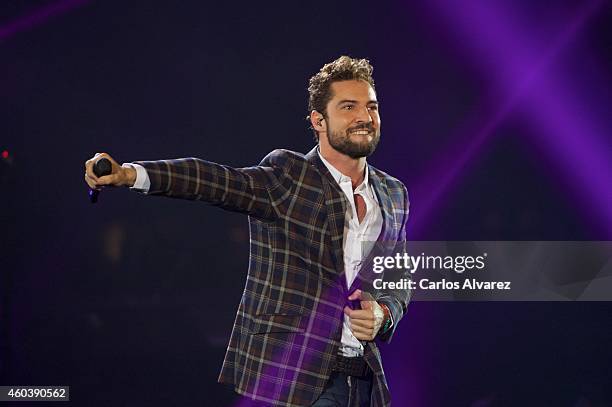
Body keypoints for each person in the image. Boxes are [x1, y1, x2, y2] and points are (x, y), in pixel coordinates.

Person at [84, 56, 411, 407]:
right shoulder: (291, 174)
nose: (365, 117)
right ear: (319, 120)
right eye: (349, 107)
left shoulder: (393, 193)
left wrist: (384, 313)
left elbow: (400, 274)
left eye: (371, 106)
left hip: (364, 379)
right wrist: (131, 174)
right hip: (298, 376)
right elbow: (216, 181)